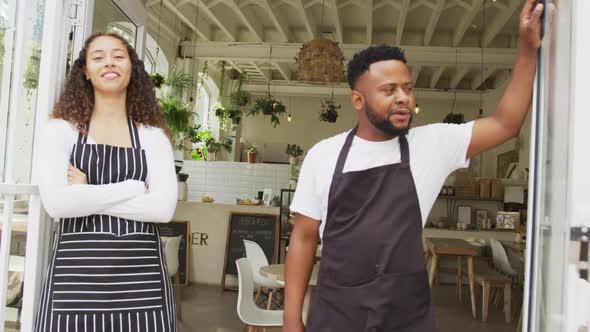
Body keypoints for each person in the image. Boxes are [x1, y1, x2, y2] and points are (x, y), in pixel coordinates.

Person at [283, 0, 543, 331]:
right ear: (358, 101)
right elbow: (304, 238)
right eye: (389, 90)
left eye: (407, 88)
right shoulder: (323, 155)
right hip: (337, 315)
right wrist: (291, 318)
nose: (404, 97)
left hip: (405, 316)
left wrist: (526, 50)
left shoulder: (431, 145)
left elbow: (506, 124)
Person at [34, 32, 178, 331]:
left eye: (118, 55)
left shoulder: (153, 137)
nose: (109, 62)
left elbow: (162, 210)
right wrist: (133, 187)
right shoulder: (62, 130)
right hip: (75, 288)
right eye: (98, 57)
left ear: (131, 68)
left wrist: (86, 193)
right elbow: (57, 204)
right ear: (85, 71)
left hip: (141, 286)